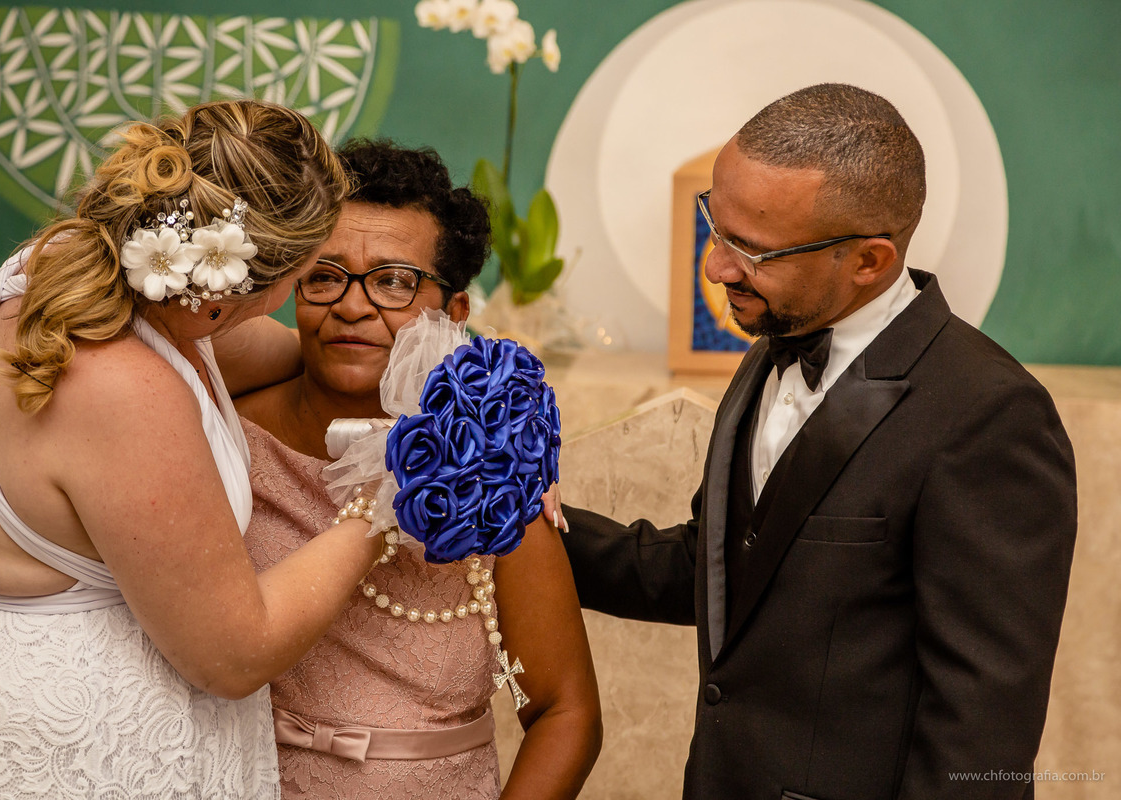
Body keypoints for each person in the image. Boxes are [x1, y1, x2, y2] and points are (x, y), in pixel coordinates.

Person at [559, 84, 1077, 800]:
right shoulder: (772, 339)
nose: (716, 268)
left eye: (752, 250)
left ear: (868, 260)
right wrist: (525, 530)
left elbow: (980, 729)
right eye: (717, 225)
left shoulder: (989, 415)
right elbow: (723, 568)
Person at [0, 99, 386, 798]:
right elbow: (234, 654)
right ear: (238, 284)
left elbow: (266, 355)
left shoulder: (64, 274)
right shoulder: (124, 388)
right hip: (79, 757)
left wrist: (407, 372)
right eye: (311, 272)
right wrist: (388, 503)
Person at [234, 139, 602, 799]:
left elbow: (565, 711)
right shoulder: (229, 440)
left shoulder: (488, 464)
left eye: (394, 281)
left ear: (454, 311)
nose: (352, 305)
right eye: (325, 276)